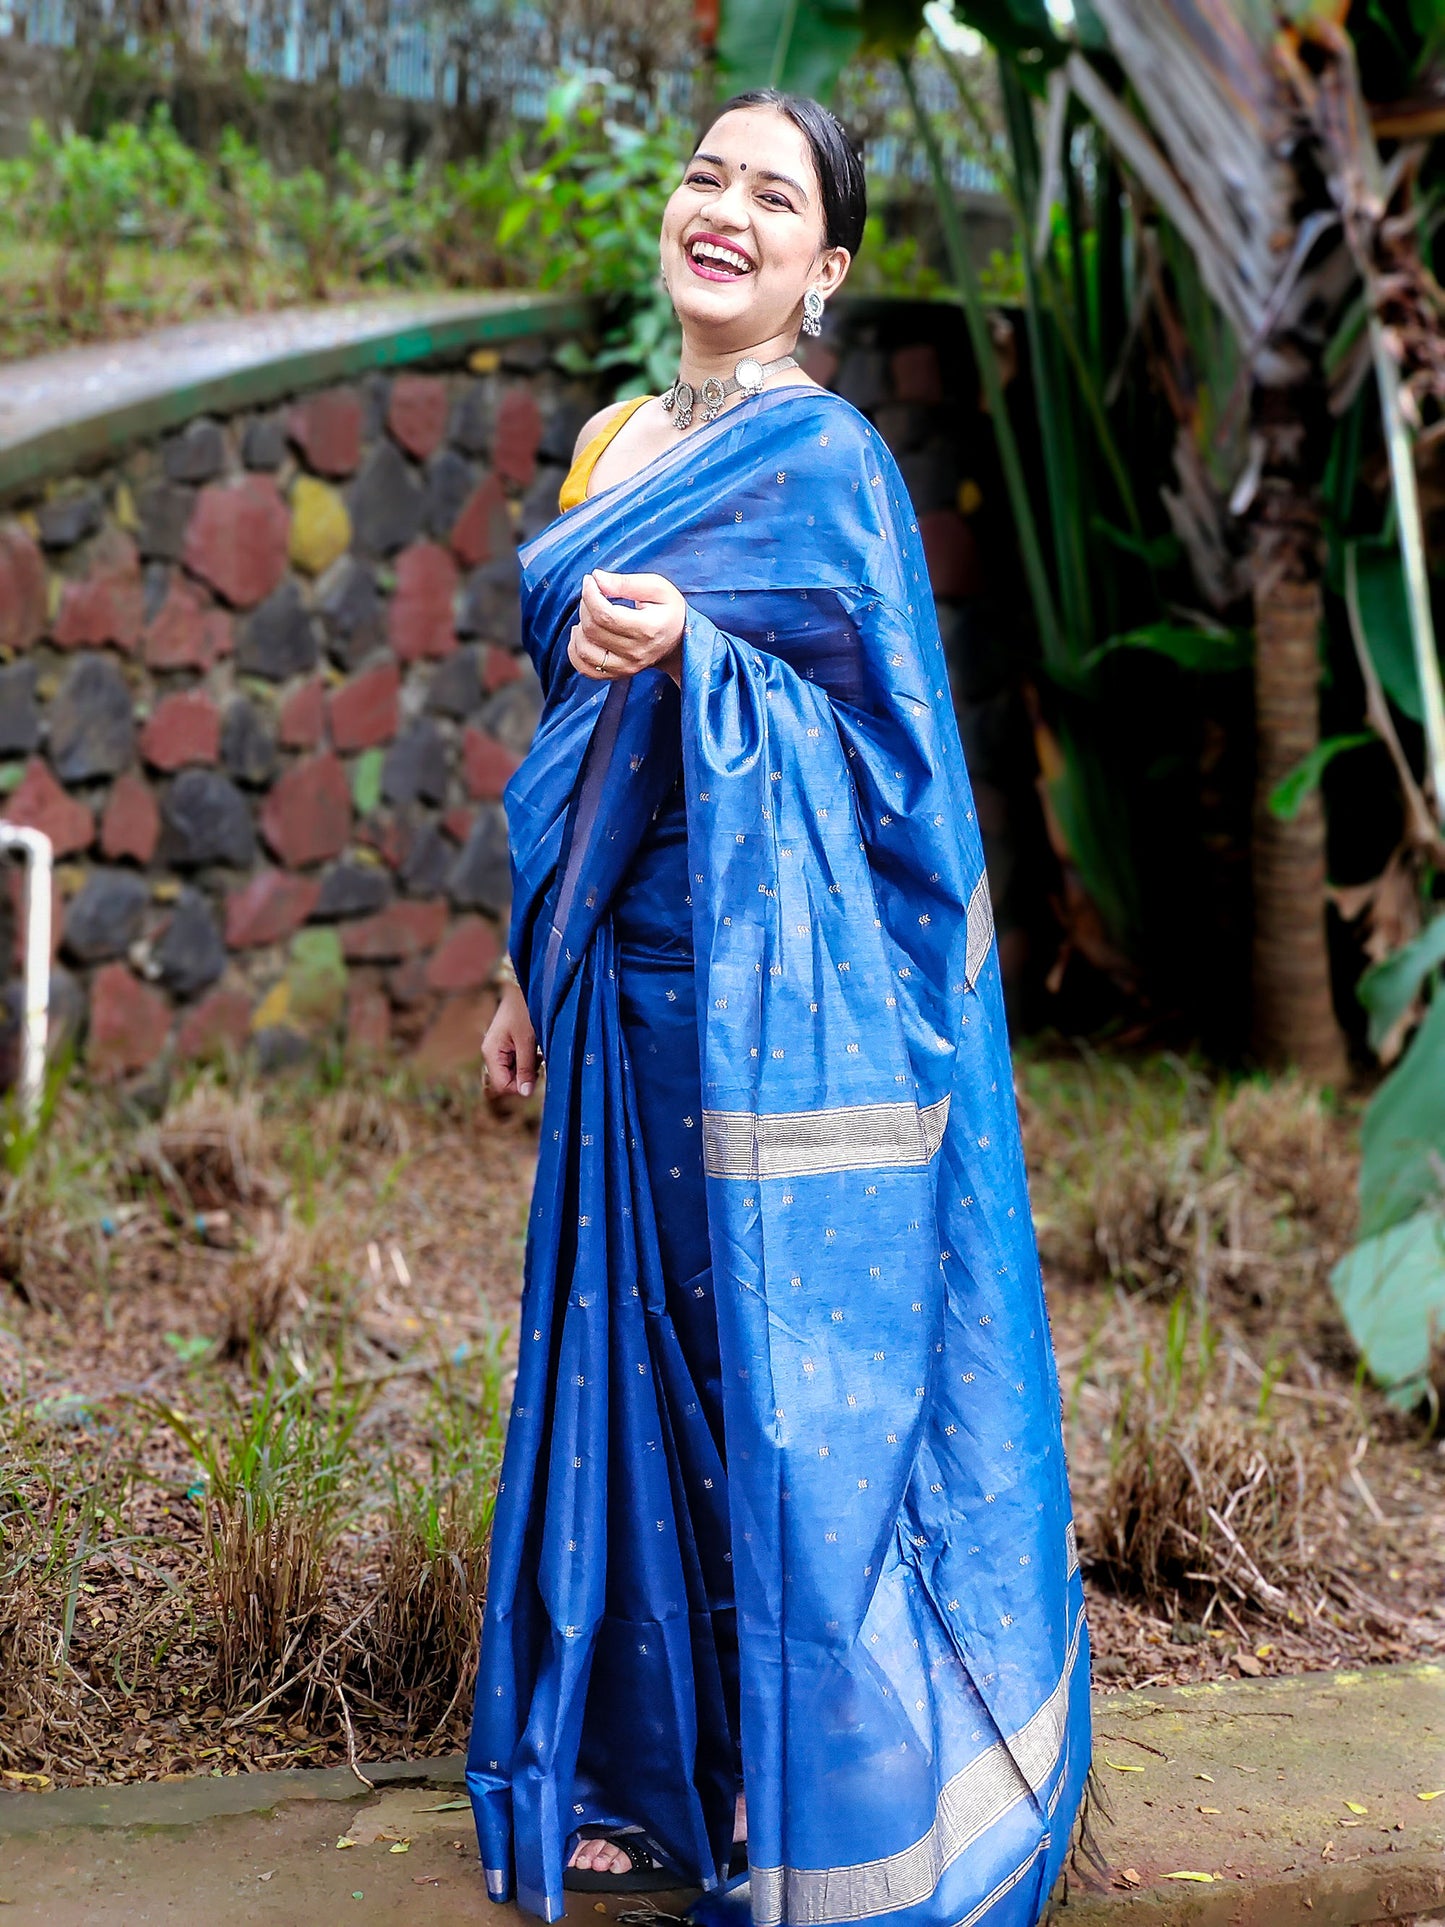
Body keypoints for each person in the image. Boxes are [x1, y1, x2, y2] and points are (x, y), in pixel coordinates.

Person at [467, 88, 1091, 1927]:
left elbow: (897, 766)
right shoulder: (612, 444)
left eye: (773, 195)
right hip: (620, 983)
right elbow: (571, 739)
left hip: (775, 998)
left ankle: (814, 1783)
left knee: (773, 1374)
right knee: (629, 1363)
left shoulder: (824, 470)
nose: (722, 210)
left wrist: (708, 654)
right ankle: (655, 1774)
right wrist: (530, 963)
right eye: (705, 177)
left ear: (823, 267)